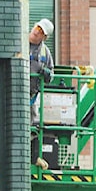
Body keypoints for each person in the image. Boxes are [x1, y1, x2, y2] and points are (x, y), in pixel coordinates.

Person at [29, 18, 55, 169]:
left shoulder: (45, 52)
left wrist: (47, 74)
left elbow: (52, 74)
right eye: (37, 28)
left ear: (45, 37)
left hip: (31, 96)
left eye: (41, 31)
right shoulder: (19, 42)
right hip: (15, 92)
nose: (37, 31)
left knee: (33, 126)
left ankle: (33, 158)